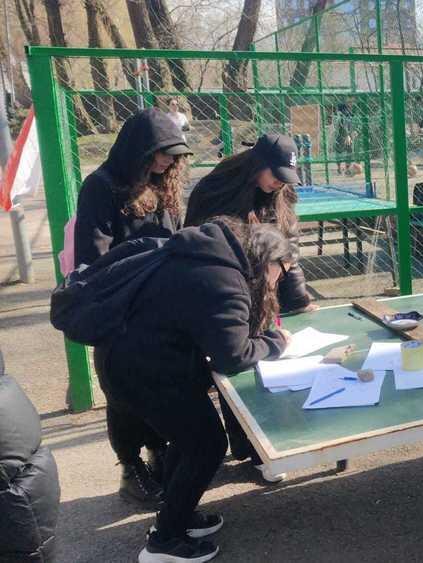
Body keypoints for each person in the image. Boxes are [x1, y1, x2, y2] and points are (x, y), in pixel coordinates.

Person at [92, 219, 293, 562]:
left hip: (130, 358)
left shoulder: (210, 256)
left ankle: (176, 516)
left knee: (189, 440)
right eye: (282, 271)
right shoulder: (225, 280)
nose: (279, 281)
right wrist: (276, 342)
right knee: (206, 444)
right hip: (145, 370)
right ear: (267, 261)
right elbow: (233, 356)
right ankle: (163, 543)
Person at [73, 107, 191, 507]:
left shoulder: (164, 183)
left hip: (162, 305)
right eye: (161, 153)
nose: (167, 162)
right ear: (138, 149)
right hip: (120, 305)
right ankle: (130, 466)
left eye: (174, 155)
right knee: (123, 390)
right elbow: (93, 256)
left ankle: (159, 449)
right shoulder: (101, 186)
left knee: (162, 383)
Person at [184, 133, 314, 482]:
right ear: (258, 164)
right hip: (222, 288)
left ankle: (259, 448)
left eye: (285, 179)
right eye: (275, 175)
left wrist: (295, 291)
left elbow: (288, 242)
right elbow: (197, 239)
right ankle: (245, 444)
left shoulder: (280, 192)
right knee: (232, 362)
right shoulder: (216, 188)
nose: (278, 184)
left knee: (260, 361)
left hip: (262, 292)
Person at [334, 97, 355, 174]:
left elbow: (350, 123)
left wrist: (353, 131)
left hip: (346, 133)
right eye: (350, 102)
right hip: (342, 134)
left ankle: (345, 168)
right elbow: (343, 124)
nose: (352, 103)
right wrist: (347, 135)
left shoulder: (349, 112)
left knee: (348, 150)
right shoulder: (343, 112)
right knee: (341, 150)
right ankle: (341, 168)